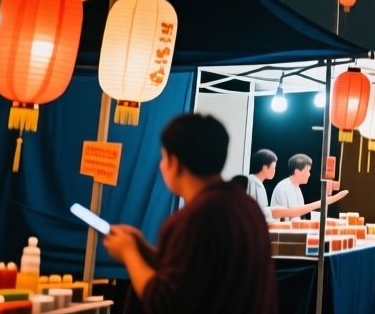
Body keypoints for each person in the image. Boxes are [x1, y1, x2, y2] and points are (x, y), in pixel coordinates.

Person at [102, 114, 278, 314]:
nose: (161, 165)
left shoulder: (193, 219)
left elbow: (164, 303)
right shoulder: (247, 206)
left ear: (174, 162)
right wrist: (142, 248)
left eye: (163, 157)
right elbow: (198, 270)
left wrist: (128, 253)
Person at [269, 154, 348, 220]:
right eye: (308, 171)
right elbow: (292, 213)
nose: (309, 174)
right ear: (297, 172)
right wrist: (326, 201)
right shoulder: (283, 187)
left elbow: (299, 214)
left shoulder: (297, 188)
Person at [245, 149, 277, 216]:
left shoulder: (255, 181)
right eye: (274, 167)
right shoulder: (252, 182)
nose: (274, 171)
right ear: (265, 168)